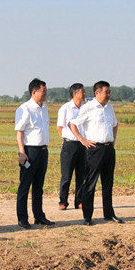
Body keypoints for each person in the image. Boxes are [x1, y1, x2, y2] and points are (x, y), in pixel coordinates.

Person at [69, 80, 123, 225]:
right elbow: (72, 124)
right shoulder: (88, 108)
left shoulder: (109, 107)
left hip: (109, 149)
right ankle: (87, 216)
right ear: (97, 93)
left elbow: (115, 124)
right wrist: (82, 140)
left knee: (108, 183)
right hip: (94, 149)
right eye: (106, 92)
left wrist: (113, 140)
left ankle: (109, 213)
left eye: (109, 92)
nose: (109, 95)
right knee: (90, 183)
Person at [14, 79, 52, 229]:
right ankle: (22, 218)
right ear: (34, 92)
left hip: (43, 151)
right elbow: (19, 132)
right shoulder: (25, 109)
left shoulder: (45, 108)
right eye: (43, 91)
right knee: (25, 186)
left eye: (46, 91)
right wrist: (22, 153)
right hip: (30, 152)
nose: (45, 94)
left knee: (38, 186)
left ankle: (39, 216)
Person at [57, 83, 86, 211]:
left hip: (83, 144)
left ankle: (79, 201)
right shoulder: (65, 108)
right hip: (70, 144)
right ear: (75, 94)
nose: (84, 94)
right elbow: (59, 127)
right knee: (66, 175)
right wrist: (66, 140)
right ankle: (63, 201)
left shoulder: (85, 108)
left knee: (81, 175)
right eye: (82, 92)